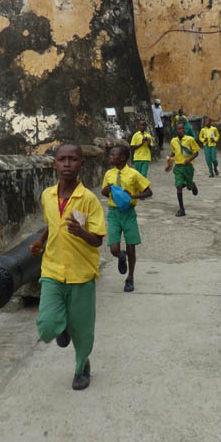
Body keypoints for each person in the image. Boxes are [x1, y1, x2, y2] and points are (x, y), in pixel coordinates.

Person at [29, 144, 106, 390]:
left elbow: (98, 239)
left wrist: (82, 233)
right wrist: (40, 242)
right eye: (62, 159)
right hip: (51, 269)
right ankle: (61, 327)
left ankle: (82, 367)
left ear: (82, 165)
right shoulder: (47, 196)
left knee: (82, 330)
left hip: (80, 273)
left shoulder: (89, 200)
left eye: (73, 159)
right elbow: (52, 224)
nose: (67, 164)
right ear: (54, 163)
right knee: (48, 324)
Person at [101, 145, 152, 292]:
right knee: (113, 248)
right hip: (114, 213)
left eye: (113, 155)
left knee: (131, 246)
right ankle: (120, 256)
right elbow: (104, 193)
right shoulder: (108, 174)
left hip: (129, 213)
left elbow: (148, 192)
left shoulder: (133, 174)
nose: (110, 157)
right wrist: (108, 189)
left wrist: (134, 196)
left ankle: (130, 277)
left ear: (122, 158)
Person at [167, 122, 199, 217]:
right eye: (179, 129)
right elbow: (174, 152)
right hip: (178, 167)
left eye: (182, 129)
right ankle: (181, 209)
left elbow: (196, 153)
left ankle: (192, 185)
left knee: (188, 186)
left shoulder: (190, 139)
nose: (181, 130)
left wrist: (189, 159)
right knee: (179, 186)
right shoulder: (173, 141)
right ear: (176, 131)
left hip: (188, 168)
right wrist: (169, 156)